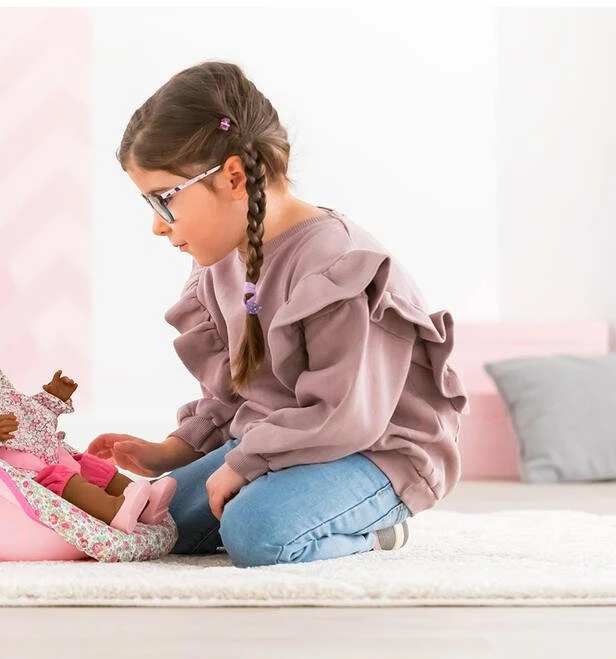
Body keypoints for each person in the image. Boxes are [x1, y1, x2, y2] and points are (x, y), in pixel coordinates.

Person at [87, 61, 468, 566]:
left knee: (256, 533)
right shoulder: (221, 263)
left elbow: (345, 415)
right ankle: (275, 493)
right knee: (154, 519)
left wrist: (246, 463)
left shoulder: (336, 266)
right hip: (285, 442)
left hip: (374, 451)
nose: (158, 226)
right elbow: (236, 394)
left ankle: (375, 530)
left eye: (164, 201)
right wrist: (175, 450)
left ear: (233, 177)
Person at [0, 318, 176, 533]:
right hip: (33, 477)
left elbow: (31, 415)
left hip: (53, 454)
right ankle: (114, 509)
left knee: (91, 465)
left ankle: (145, 502)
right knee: (65, 481)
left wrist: (52, 398)